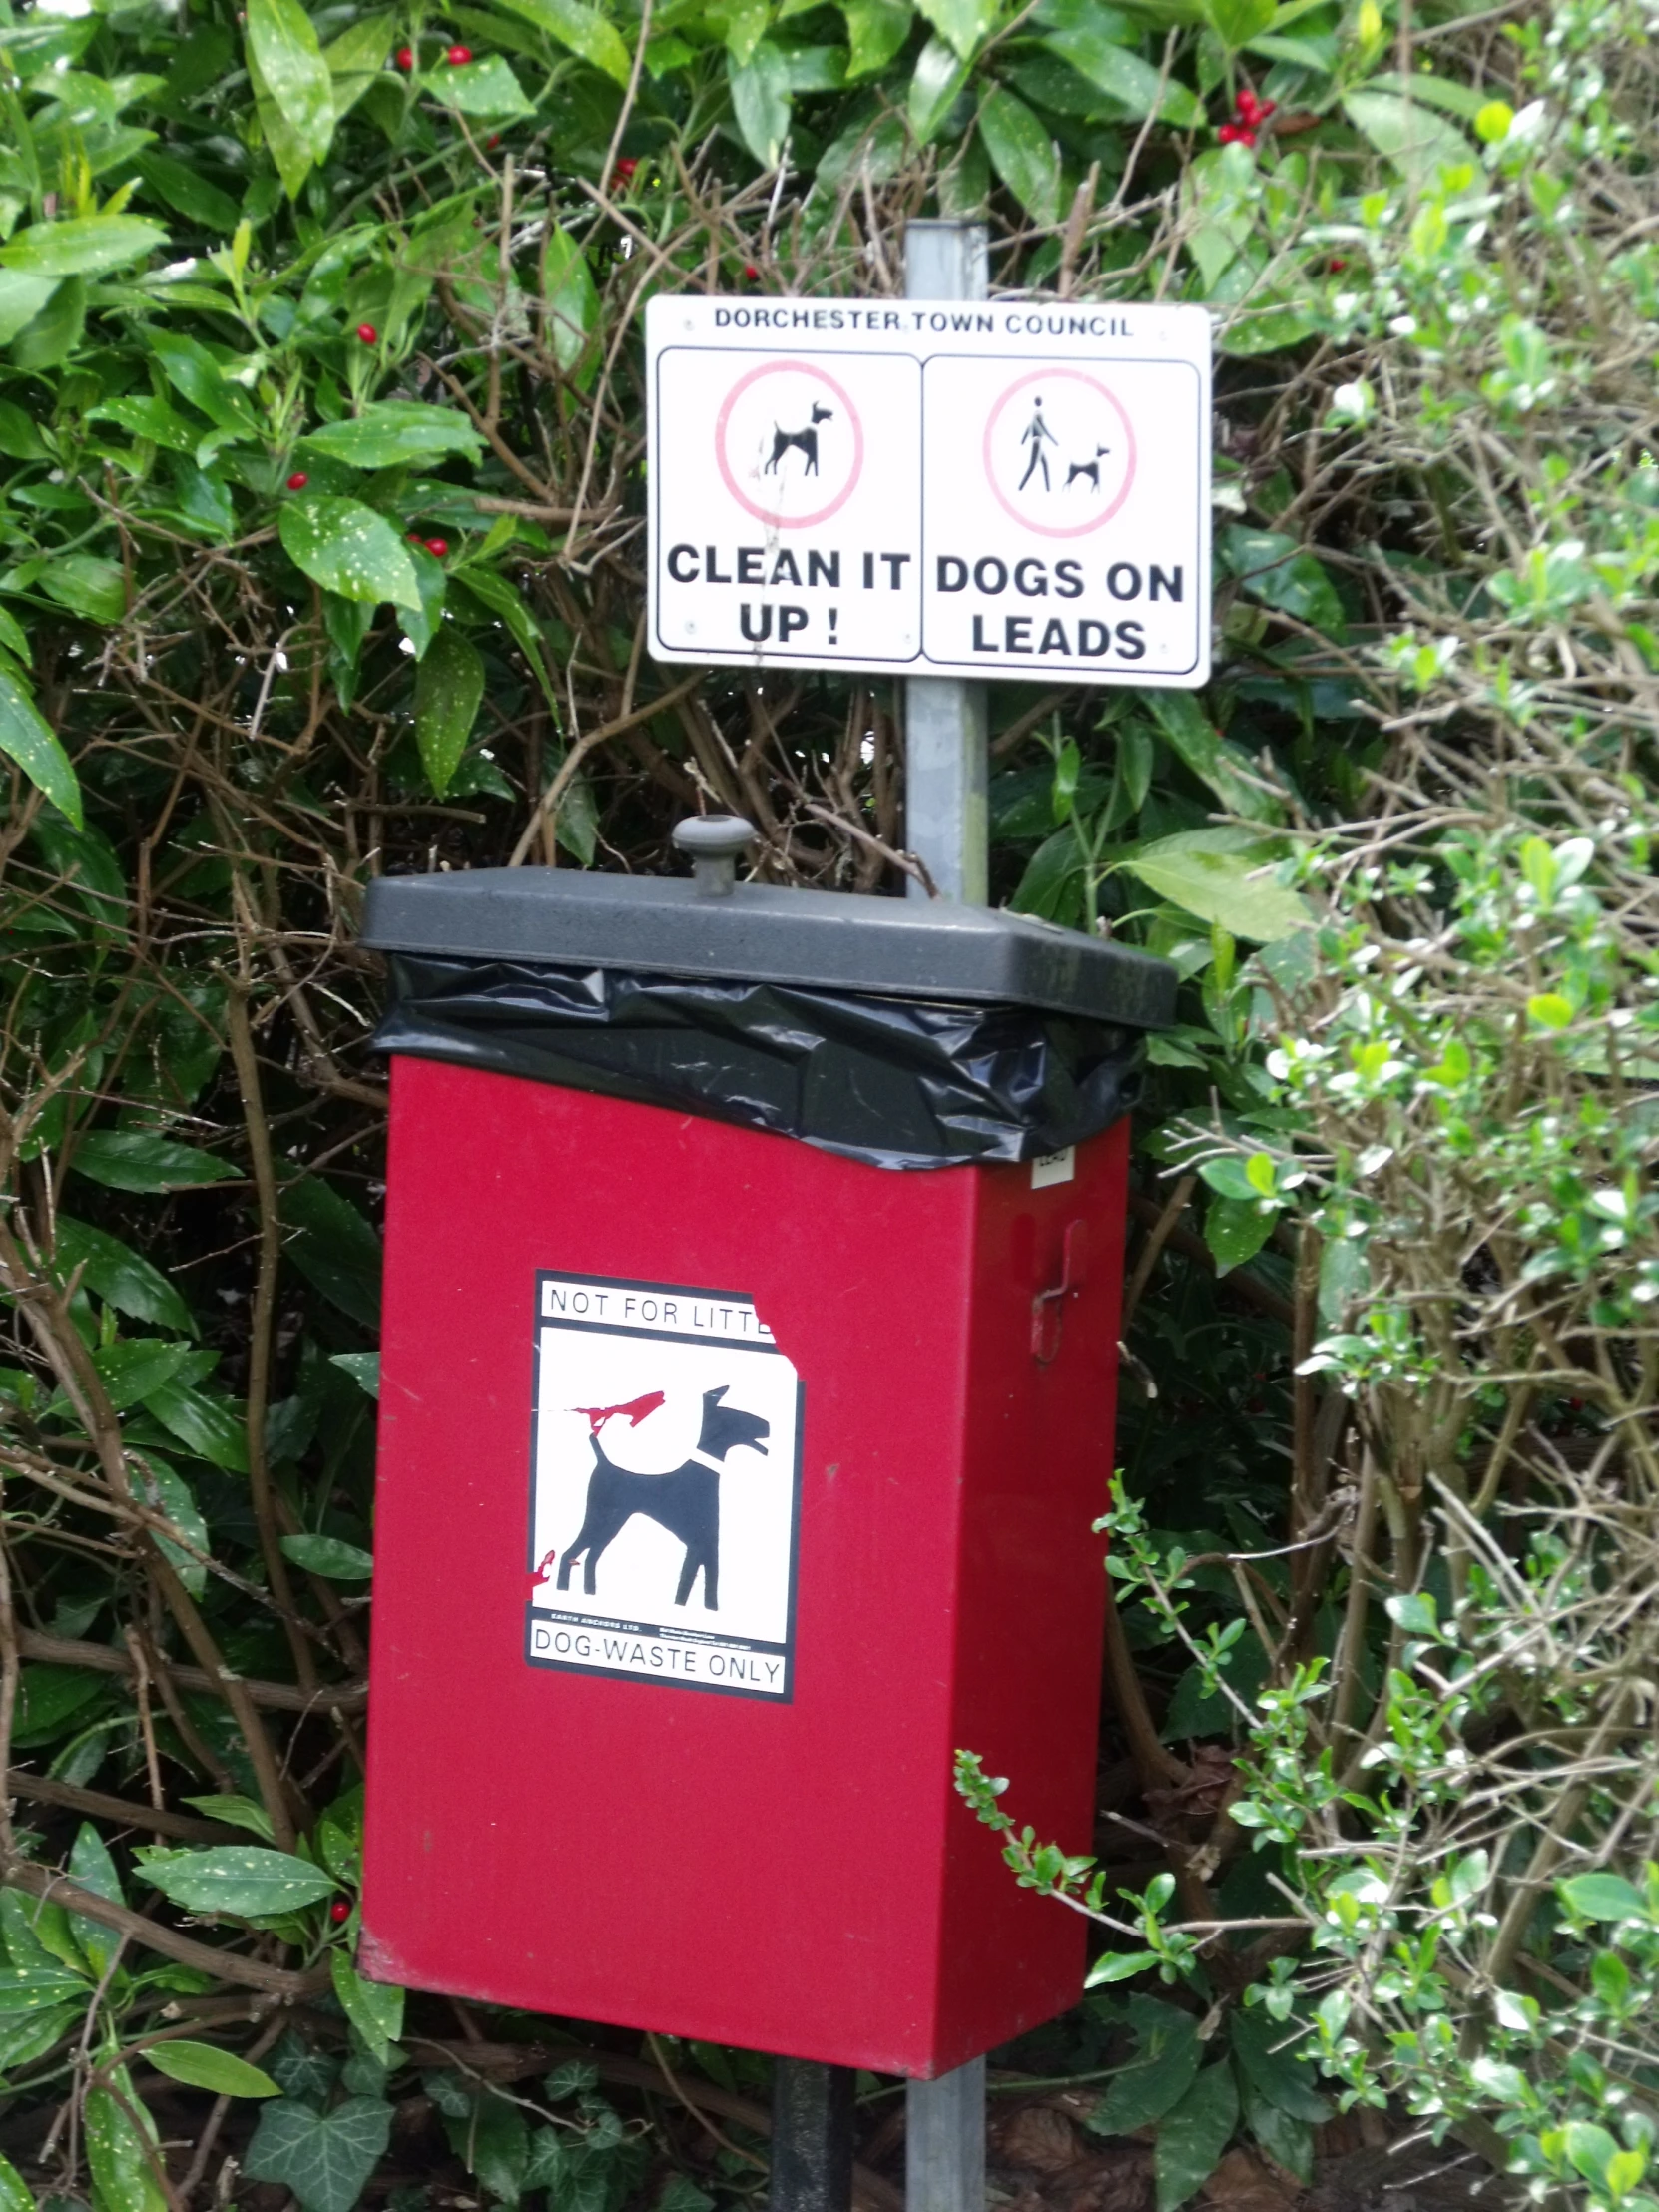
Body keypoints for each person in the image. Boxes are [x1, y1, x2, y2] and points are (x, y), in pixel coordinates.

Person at [1018, 398, 1057, 491]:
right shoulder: (1038, 420)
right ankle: (1020, 487)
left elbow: (1028, 429)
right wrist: (1054, 441)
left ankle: (1048, 489)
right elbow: (1045, 431)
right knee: (1032, 467)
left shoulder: (1033, 420)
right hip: (1037, 445)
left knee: (1045, 465)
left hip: (1037, 444)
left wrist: (1023, 441)